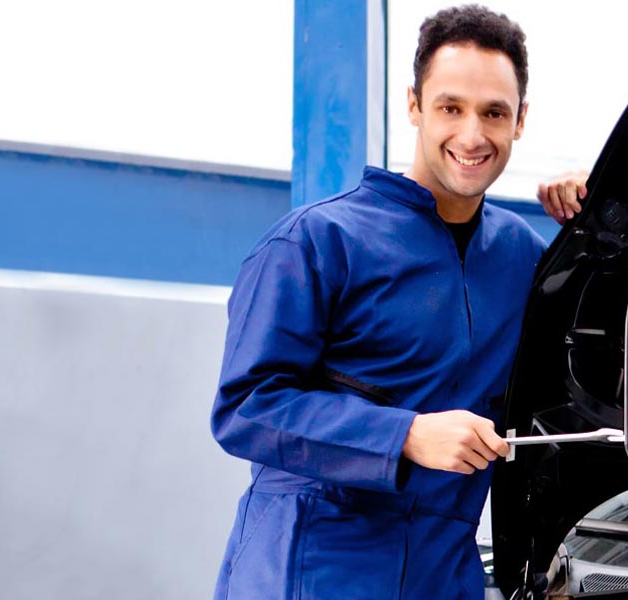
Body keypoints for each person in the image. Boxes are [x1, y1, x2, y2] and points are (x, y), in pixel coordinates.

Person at [210, 5, 544, 598]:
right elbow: (245, 408)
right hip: (311, 566)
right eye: (450, 108)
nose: (472, 136)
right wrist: (405, 435)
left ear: (520, 121)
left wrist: (598, 217)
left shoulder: (523, 258)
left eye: (493, 112)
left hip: (443, 573)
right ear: (414, 106)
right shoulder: (316, 241)